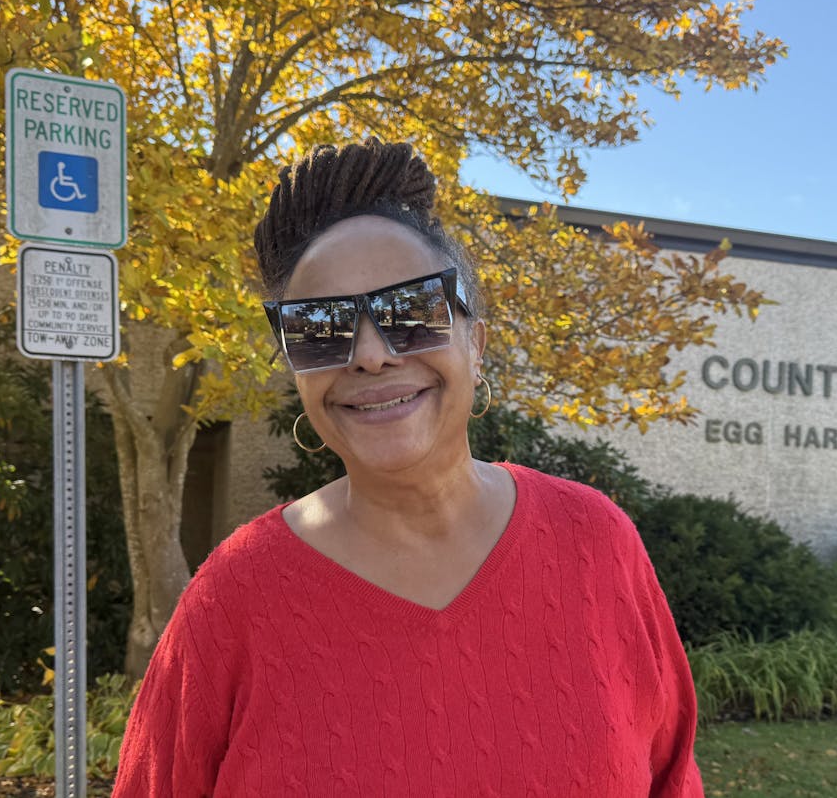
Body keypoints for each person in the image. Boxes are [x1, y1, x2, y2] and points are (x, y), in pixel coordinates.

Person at [112, 140, 701, 796]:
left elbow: (673, 777)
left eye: (412, 309)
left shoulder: (597, 545)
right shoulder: (231, 602)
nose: (370, 354)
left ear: (475, 345)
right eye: (321, 327)